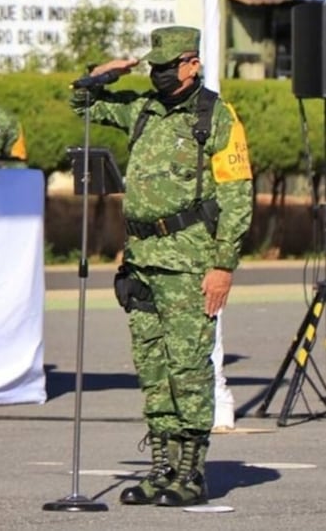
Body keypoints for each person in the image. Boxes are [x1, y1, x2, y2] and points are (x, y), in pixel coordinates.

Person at [71, 26, 253, 507]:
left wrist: (223, 266)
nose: (159, 75)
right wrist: (100, 75)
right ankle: (162, 468)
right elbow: (83, 106)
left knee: (188, 368)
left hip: (190, 262)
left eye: (168, 67)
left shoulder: (215, 117)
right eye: (154, 67)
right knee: (153, 368)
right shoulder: (143, 111)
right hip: (143, 261)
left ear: (192, 64)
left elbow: (237, 198)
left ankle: (192, 474)